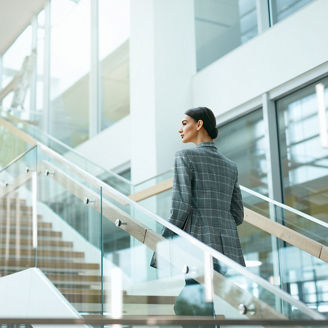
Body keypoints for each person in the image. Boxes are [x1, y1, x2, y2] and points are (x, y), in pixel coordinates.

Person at [162, 107, 245, 319]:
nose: (180, 130)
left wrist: (161, 244)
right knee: (207, 307)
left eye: (184, 123)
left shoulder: (184, 156)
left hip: (198, 248)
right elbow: (238, 215)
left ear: (199, 124)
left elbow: (181, 206)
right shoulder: (231, 165)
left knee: (189, 308)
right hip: (229, 250)